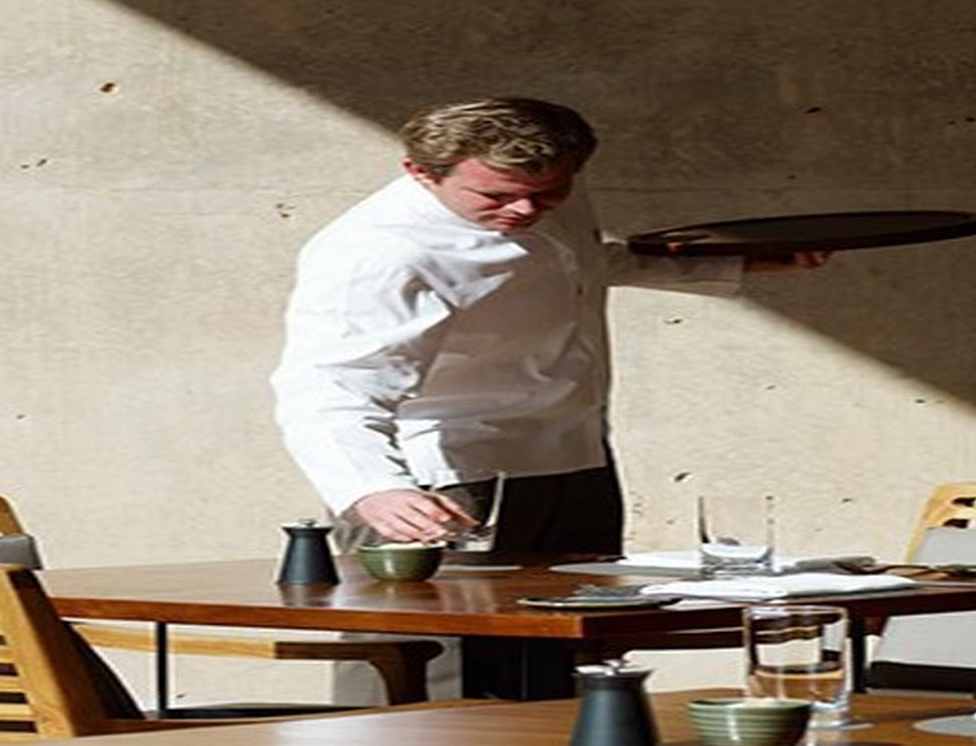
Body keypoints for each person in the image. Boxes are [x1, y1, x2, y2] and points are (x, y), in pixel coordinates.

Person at [273, 96, 825, 578]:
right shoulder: (376, 256)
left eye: (550, 193)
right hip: (449, 478)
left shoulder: (538, 191)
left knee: (575, 649)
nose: (526, 210)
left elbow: (574, 265)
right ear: (419, 172)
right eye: (496, 197)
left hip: (576, 458)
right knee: (437, 662)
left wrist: (726, 262)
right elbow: (327, 387)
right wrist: (371, 489)